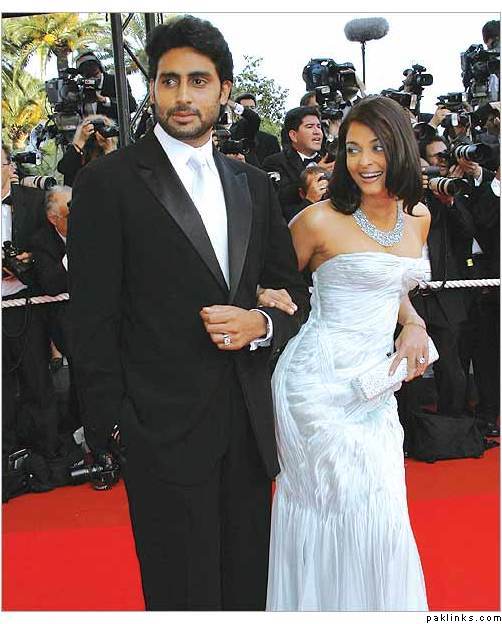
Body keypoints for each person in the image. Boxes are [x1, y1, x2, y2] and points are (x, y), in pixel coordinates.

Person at [67, 16, 309, 611]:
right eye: (168, 80)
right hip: (159, 431)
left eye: (198, 81)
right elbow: (91, 317)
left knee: (248, 591)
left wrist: (262, 325)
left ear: (224, 90)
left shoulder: (252, 184)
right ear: (152, 88)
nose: (182, 95)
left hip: (248, 425)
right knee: (182, 596)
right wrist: (115, 427)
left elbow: (291, 292)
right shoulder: (106, 182)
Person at [265, 96, 431, 610]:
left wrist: (414, 324)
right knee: (334, 510)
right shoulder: (318, 220)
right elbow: (265, 282)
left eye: (377, 147)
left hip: (376, 388)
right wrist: (260, 302)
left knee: (383, 514)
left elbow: (391, 286)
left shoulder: (418, 217)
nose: (363, 161)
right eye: (352, 149)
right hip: (316, 387)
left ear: (399, 147)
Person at [262, 105, 334, 223]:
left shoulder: (329, 160)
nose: (317, 132)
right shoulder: (274, 162)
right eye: (309, 126)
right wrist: (314, 171)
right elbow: (276, 201)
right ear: (293, 135)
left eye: (318, 126)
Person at [74, 50, 137, 123]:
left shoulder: (116, 81)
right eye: (87, 75)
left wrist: (103, 99)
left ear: (100, 68)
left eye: (95, 73)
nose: (92, 78)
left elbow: (131, 105)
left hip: (115, 128)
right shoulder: (81, 90)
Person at [57, 114, 118, 186]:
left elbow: (116, 180)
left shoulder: (115, 155)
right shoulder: (77, 154)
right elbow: (63, 168)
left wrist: (108, 148)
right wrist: (81, 141)